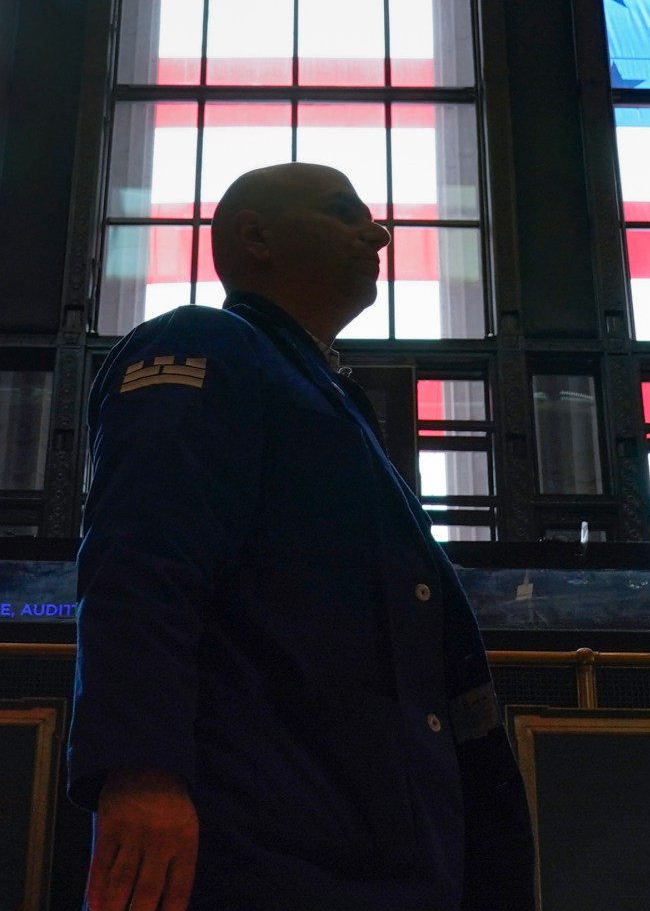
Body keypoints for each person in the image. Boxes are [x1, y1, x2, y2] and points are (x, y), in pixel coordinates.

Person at [68, 163, 535, 911]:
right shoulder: (205, 342)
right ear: (256, 237)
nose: (377, 232)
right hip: (267, 843)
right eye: (343, 212)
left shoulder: (326, 397)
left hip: (366, 842)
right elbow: (143, 561)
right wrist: (141, 771)